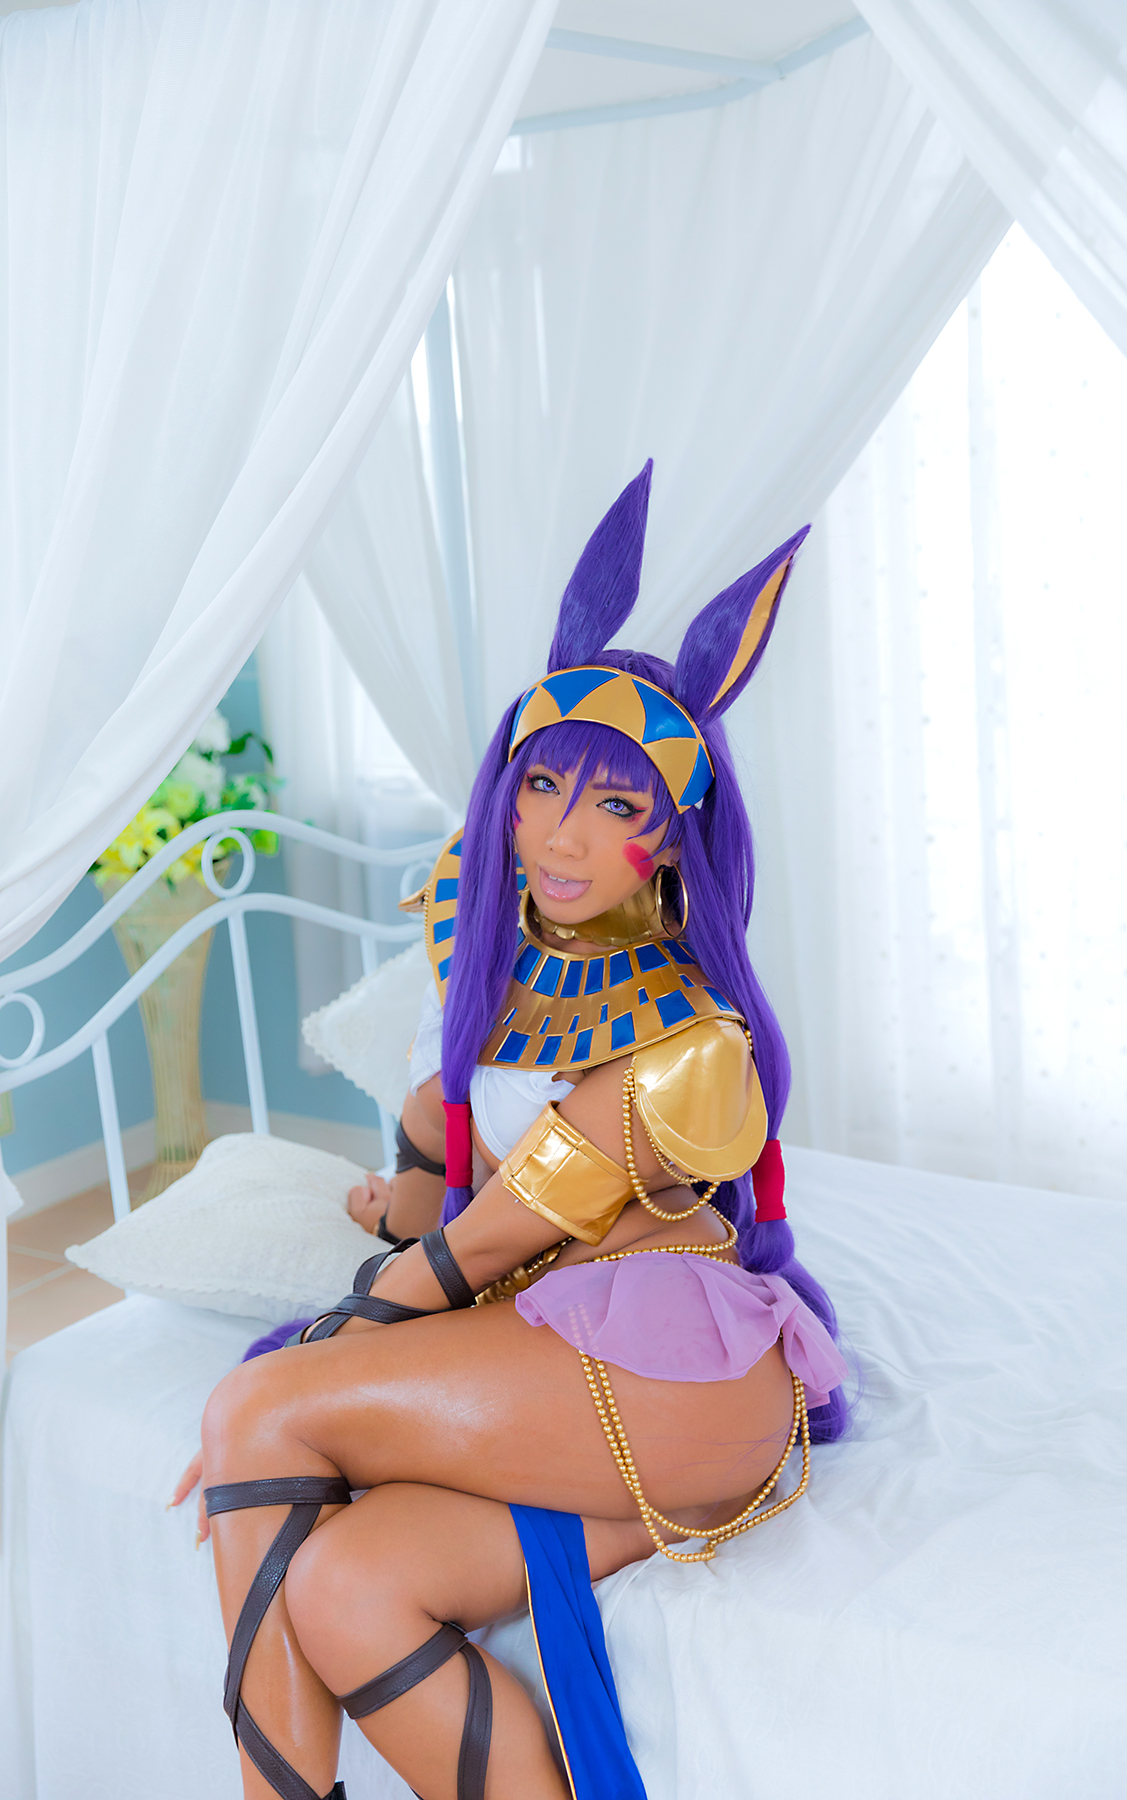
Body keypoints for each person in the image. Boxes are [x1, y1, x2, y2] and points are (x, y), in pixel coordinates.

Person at [194, 462, 849, 1800]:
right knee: (343, 1585)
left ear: (671, 842)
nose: (561, 834)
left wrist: (281, 1394)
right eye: (544, 784)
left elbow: (470, 1253)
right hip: (565, 1373)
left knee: (253, 1407)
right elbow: (442, 1197)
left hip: (682, 1379)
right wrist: (380, 1200)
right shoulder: (493, 982)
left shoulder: (686, 1042)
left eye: (616, 806)